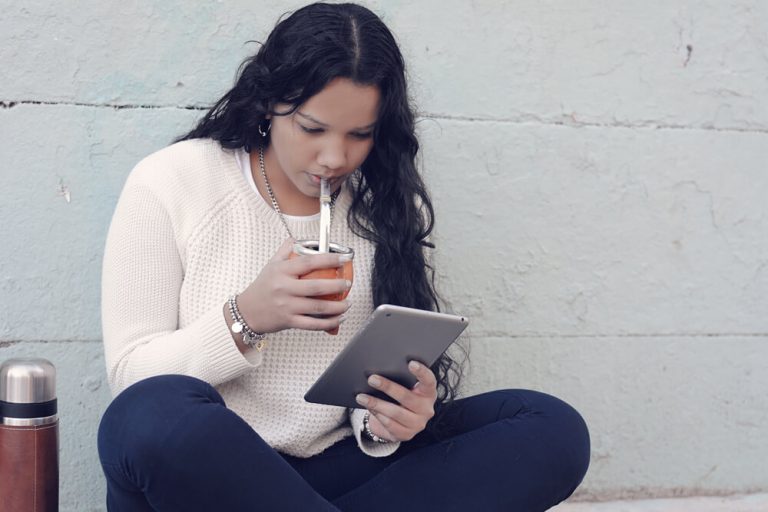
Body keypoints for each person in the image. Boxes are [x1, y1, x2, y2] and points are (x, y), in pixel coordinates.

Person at [97, 3, 590, 511]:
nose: (335, 158)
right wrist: (247, 317)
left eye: (359, 135)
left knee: (551, 426)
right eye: (312, 128)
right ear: (269, 103)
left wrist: (385, 419)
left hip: (335, 474)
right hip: (215, 475)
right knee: (148, 412)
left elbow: (358, 388)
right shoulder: (173, 181)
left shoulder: (376, 206)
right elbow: (133, 379)